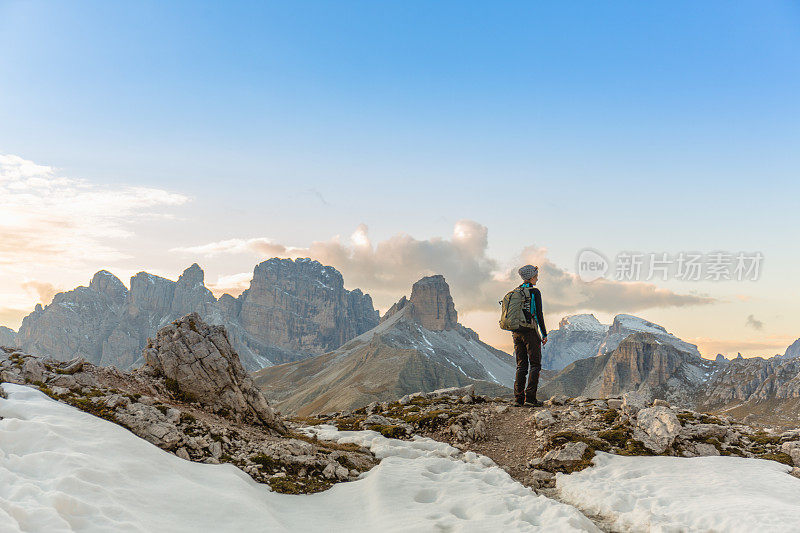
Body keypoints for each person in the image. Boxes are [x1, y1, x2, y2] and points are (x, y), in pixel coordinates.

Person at [513, 264, 547, 407]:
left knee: (521, 366)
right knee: (535, 364)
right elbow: (539, 315)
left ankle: (518, 399)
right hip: (530, 332)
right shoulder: (534, 292)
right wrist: (544, 334)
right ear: (531, 277)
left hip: (516, 332)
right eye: (536, 276)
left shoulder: (516, 292)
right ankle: (530, 399)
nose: (537, 279)